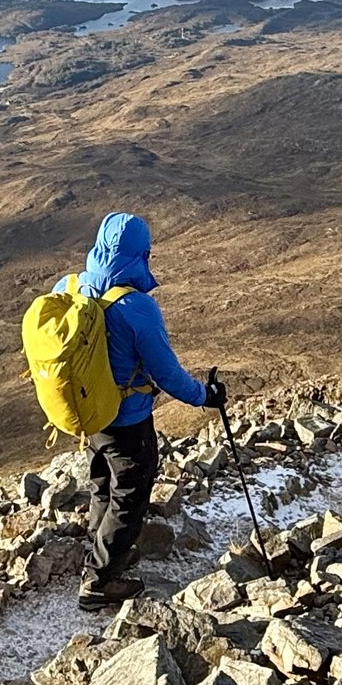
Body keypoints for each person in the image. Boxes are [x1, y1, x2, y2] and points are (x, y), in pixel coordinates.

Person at [63, 211, 224, 610]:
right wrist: (206, 396)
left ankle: (101, 555)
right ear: (141, 255)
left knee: (103, 486)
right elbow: (167, 373)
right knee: (129, 498)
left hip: (91, 416)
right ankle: (99, 583)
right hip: (129, 422)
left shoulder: (73, 287)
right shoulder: (136, 308)